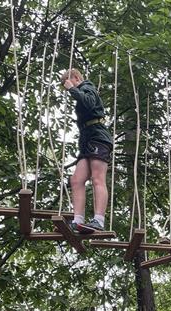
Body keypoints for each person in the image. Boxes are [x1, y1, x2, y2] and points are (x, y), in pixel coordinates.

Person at [61, 69, 113, 233]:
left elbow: (89, 103)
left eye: (69, 82)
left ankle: (99, 220)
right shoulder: (81, 89)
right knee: (76, 180)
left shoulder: (87, 86)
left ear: (76, 78)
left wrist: (72, 89)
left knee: (97, 178)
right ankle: (78, 220)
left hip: (97, 135)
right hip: (86, 138)